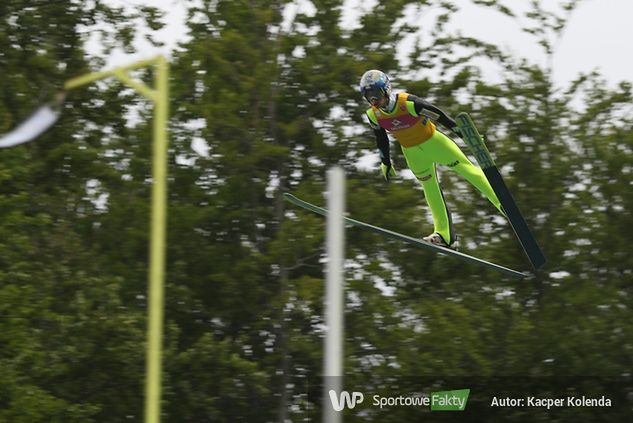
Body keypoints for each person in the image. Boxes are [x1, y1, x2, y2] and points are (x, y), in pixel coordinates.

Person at [359, 69, 504, 250]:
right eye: (368, 97)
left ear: (386, 89)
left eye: (376, 95)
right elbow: (381, 138)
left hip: (434, 143)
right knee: (430, 188)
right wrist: (386, 162)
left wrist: (464, 135)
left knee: (467, 170)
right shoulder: (374, 115)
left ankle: (501, 203)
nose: (374, 101)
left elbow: (441, 117)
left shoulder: (409, 103)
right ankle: (445, 235)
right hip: (412, 153)